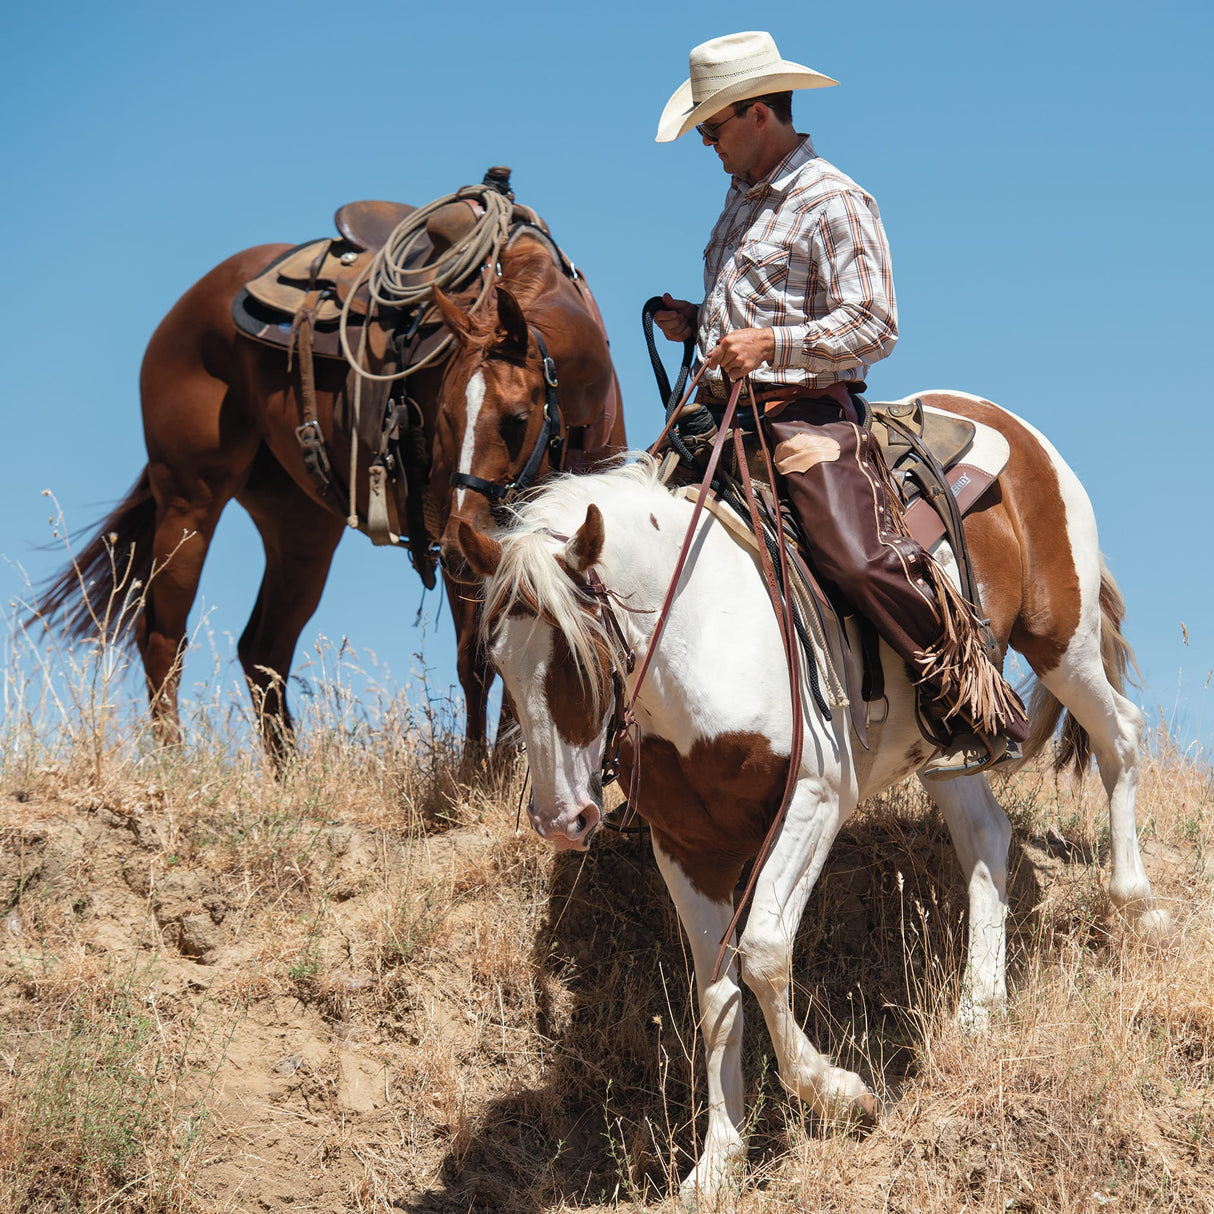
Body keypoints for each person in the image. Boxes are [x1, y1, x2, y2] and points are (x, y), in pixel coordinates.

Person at [653, 30, 1028, 776]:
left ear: (760, 113)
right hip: (723, 417)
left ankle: (969, 702)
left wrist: (770, 347)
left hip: (807, 419)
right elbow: (765, 310)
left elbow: (875, 323)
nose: (706, 143)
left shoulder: (835, 200)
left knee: (858, 563)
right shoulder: (736, 202)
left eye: (714, 126)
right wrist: (701, 321)